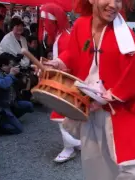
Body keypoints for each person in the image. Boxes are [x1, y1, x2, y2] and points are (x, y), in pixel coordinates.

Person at [43, 0, 135, 179]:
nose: (114, 5)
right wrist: (59, 62)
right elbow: (73, 52)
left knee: (129, 168)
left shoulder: (126, 34)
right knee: (94, 162)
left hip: (116, 109)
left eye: (119, 1)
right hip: (88, 106)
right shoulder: (81, 25)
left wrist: (112, 94)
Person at [38, 3, 82, 163]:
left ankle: (70, 146)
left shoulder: (65, 37)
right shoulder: (61, 35)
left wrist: (52, 67)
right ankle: (75, 143)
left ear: (55, 21)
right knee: (66, 116)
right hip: (64, 81)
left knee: (62, 115)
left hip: (68, 83)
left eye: (46, 22)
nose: (44, 25)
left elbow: (70, 61)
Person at [0, 53, 34, 135]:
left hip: (12, 104)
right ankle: (0, 126)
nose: (13, 67)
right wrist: (11, 75)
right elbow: (3, 85)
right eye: (11, 65)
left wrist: (23, 78)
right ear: (4, 65)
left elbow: (21, 86)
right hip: (2, 108)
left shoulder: (9, 74)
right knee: (18, 129)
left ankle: (10, 119)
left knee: (29, 105)